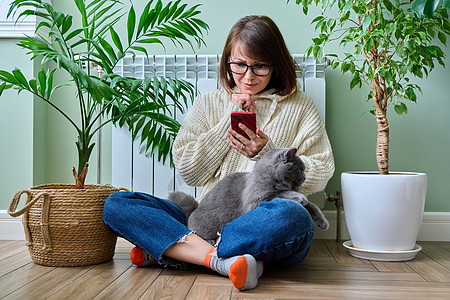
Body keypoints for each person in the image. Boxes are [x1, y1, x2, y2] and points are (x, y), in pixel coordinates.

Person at [103, 15, 334, 291]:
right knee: (116, 205)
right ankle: (220, 258)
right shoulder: (208, 103)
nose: (248, 76)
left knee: (294, 217)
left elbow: (321, 172)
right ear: (227, 61)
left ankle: (183, 251)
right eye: (239, 65)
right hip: (206, 216)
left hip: (262, 223)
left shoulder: (300, 107)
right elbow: (190, 171)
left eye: (260, 66)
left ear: (276, 65)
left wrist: (267, 154)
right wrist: (230, 118)